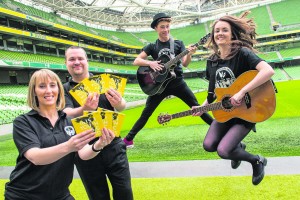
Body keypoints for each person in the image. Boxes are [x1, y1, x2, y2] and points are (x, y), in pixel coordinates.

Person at [192, 11, 275, 185]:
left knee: (223, 150)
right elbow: (213, 93)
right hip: (226, 111)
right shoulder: (212, 61)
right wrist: (202, 107)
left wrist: (242, 91)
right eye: (217, 31)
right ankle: (237, 148)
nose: (220, 33)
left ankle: (256, 161)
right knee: (208, 145)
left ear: (232, 34)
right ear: (213, 37)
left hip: (248, 109)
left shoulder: (243, 54)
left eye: (225, 30)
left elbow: (268, 71)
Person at [4, 69, 115, 200]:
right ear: (34, 91)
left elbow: (83, 153)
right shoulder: (23, 122)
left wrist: (99, 144)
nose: (48, 91)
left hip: (60, 194)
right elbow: (35, 157)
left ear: (59, 89)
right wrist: (69, 146)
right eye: (42, 86)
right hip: (24, 195)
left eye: (52, 85)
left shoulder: (69, 121)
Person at [123, 12, 213, 148]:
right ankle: (128, 139)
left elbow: (185, 63)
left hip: (177, 83)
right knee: (146, 113)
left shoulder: (178, 44)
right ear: (156, 29)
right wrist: (150, 63)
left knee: (198, 107)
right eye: (162, 27)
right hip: (159, 85)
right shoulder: (152, 46)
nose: (165, 30)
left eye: (167, 26)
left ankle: (220, 131)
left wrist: (189, 54)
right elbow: (137, 60)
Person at [63, 46, 133, 200]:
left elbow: (121, 106)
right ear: (66, 63)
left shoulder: (104, 81)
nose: (77, 62)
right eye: (72, 59)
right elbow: (65, 113)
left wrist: (119, 102)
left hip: (113, 144)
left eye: (80, 58)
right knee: (98, 196)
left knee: (125, 193)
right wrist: (84, 109)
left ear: (87, 61)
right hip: (86, 150)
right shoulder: (64, 90)